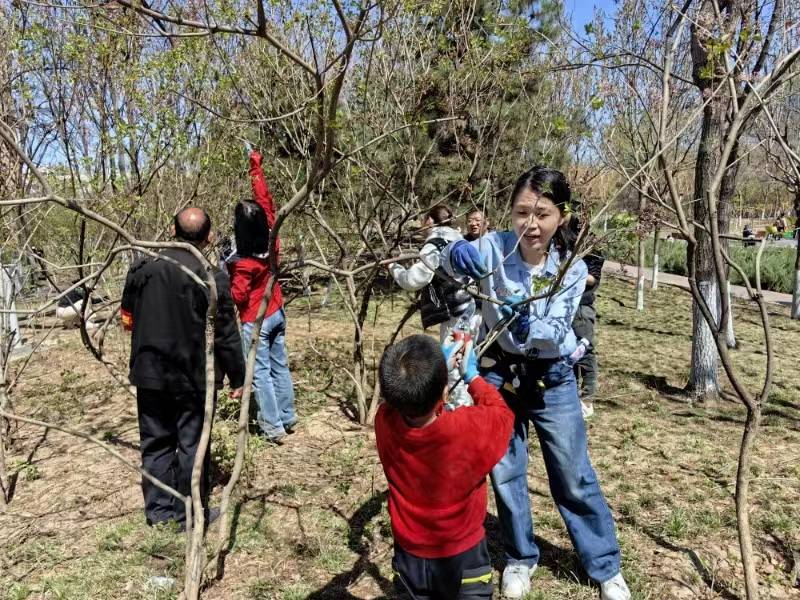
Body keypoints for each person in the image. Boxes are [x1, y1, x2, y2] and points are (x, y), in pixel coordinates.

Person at [443, 166, 630, 600]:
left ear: (560, 216)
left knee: (572, 472)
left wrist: (529, 323)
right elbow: (448, 255)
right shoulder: (494, 248)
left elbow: (563, 334)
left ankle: (604, 565)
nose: (531, 224)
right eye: (522, 212)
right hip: (498, 373)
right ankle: (520, 557)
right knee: (506, 470)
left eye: (542, 214)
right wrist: (458, 257)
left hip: (552, 376)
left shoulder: (571, 268)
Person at [121, 207, 245, 529]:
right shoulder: (211, 275)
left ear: (172, 231)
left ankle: (160, 513)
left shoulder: (142, 267)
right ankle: (188, 512)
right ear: (209, 236)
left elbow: (127, 318)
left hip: (150, 374)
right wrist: (239, 376)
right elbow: (226, 332)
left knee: (156, 443)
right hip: (194, 378)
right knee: (192, 445)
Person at [375, 334, 514, 600]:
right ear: (445, 391)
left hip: (409, 557)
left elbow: (393, 404)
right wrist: (472, 376)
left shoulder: (384, 422)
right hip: (464, 558)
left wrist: (432, 367)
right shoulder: (468, 430)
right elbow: (502, 414)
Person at [227, 150, 297, 443]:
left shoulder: (243, 264)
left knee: (261, 373)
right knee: (280, 366)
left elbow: (239, 297)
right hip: (277, 310)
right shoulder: (271, 235)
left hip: (255, 321)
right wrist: (255, 166)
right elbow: (266, 201)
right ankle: (287, 416)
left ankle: (272, 427)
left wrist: (226, 272)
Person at [388, 204, 478, 409]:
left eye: (423, 219)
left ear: (429, 221)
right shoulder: (459, 239)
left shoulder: (435, 244)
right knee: (471, 358)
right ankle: (471, 405)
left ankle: (461, 412)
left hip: (457, 313)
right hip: (473, 308)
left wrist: (393, 266)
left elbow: (412, 280)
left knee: (455, 362)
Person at [567, 218, 604, 419]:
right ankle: (572, 393)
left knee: (586, 350)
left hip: (582, 306)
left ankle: (587, 398)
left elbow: (593, 278)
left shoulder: (593, 246)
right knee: (568, 350)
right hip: (564, 304)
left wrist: (570, 271)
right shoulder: (562, 242)